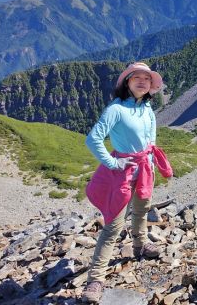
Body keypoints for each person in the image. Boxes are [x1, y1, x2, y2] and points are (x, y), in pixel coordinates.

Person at [81, 62, 173, 303]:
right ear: (127, 82)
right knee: (113, 225)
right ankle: (96, 279)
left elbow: (151, 139)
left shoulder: (147, 108)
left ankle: (140, 246)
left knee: (142, 211)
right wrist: (113, 164)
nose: (143, 81)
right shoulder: (116, 109)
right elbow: (93, 140)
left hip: (144, 170)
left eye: (147, 78)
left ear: (151, 85)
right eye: (137, 78)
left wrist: (151, 162)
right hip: (123, 172)